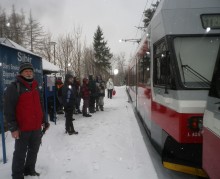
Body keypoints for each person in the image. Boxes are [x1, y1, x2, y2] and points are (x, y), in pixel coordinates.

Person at [4, 62, 49, 179]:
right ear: (21, 73)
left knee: (34, 150)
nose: (28, 73)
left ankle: (29, 170)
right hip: (22, 129)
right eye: (26, 71)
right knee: (20, 153)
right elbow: (8, 109)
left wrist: (44, 120)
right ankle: (17, 175)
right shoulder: (14, 87)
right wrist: (13, 128)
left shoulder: (35, 86)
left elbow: (40, 105)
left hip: (36, 127)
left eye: (30, 71)